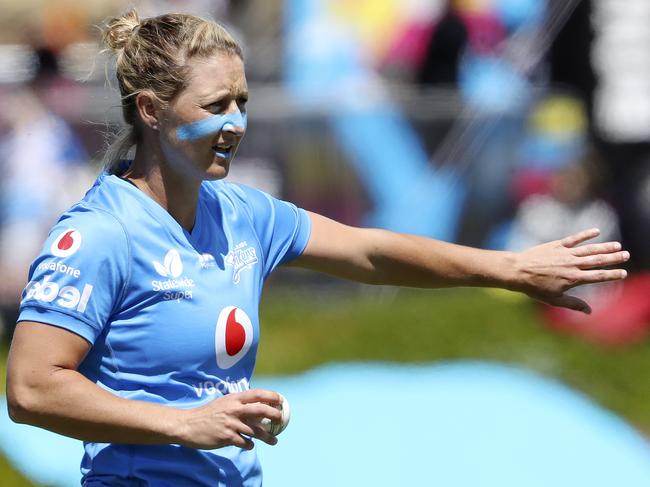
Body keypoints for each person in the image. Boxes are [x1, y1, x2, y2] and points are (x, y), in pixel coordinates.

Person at [5, 10, 630, 487]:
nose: (237, 124)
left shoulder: (242, 212)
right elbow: (32, 387)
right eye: (216, 105)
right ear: (151, 110)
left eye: (243, 103)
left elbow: (369, 252)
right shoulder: (97, 234)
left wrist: (511, 267)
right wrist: (182, 424)